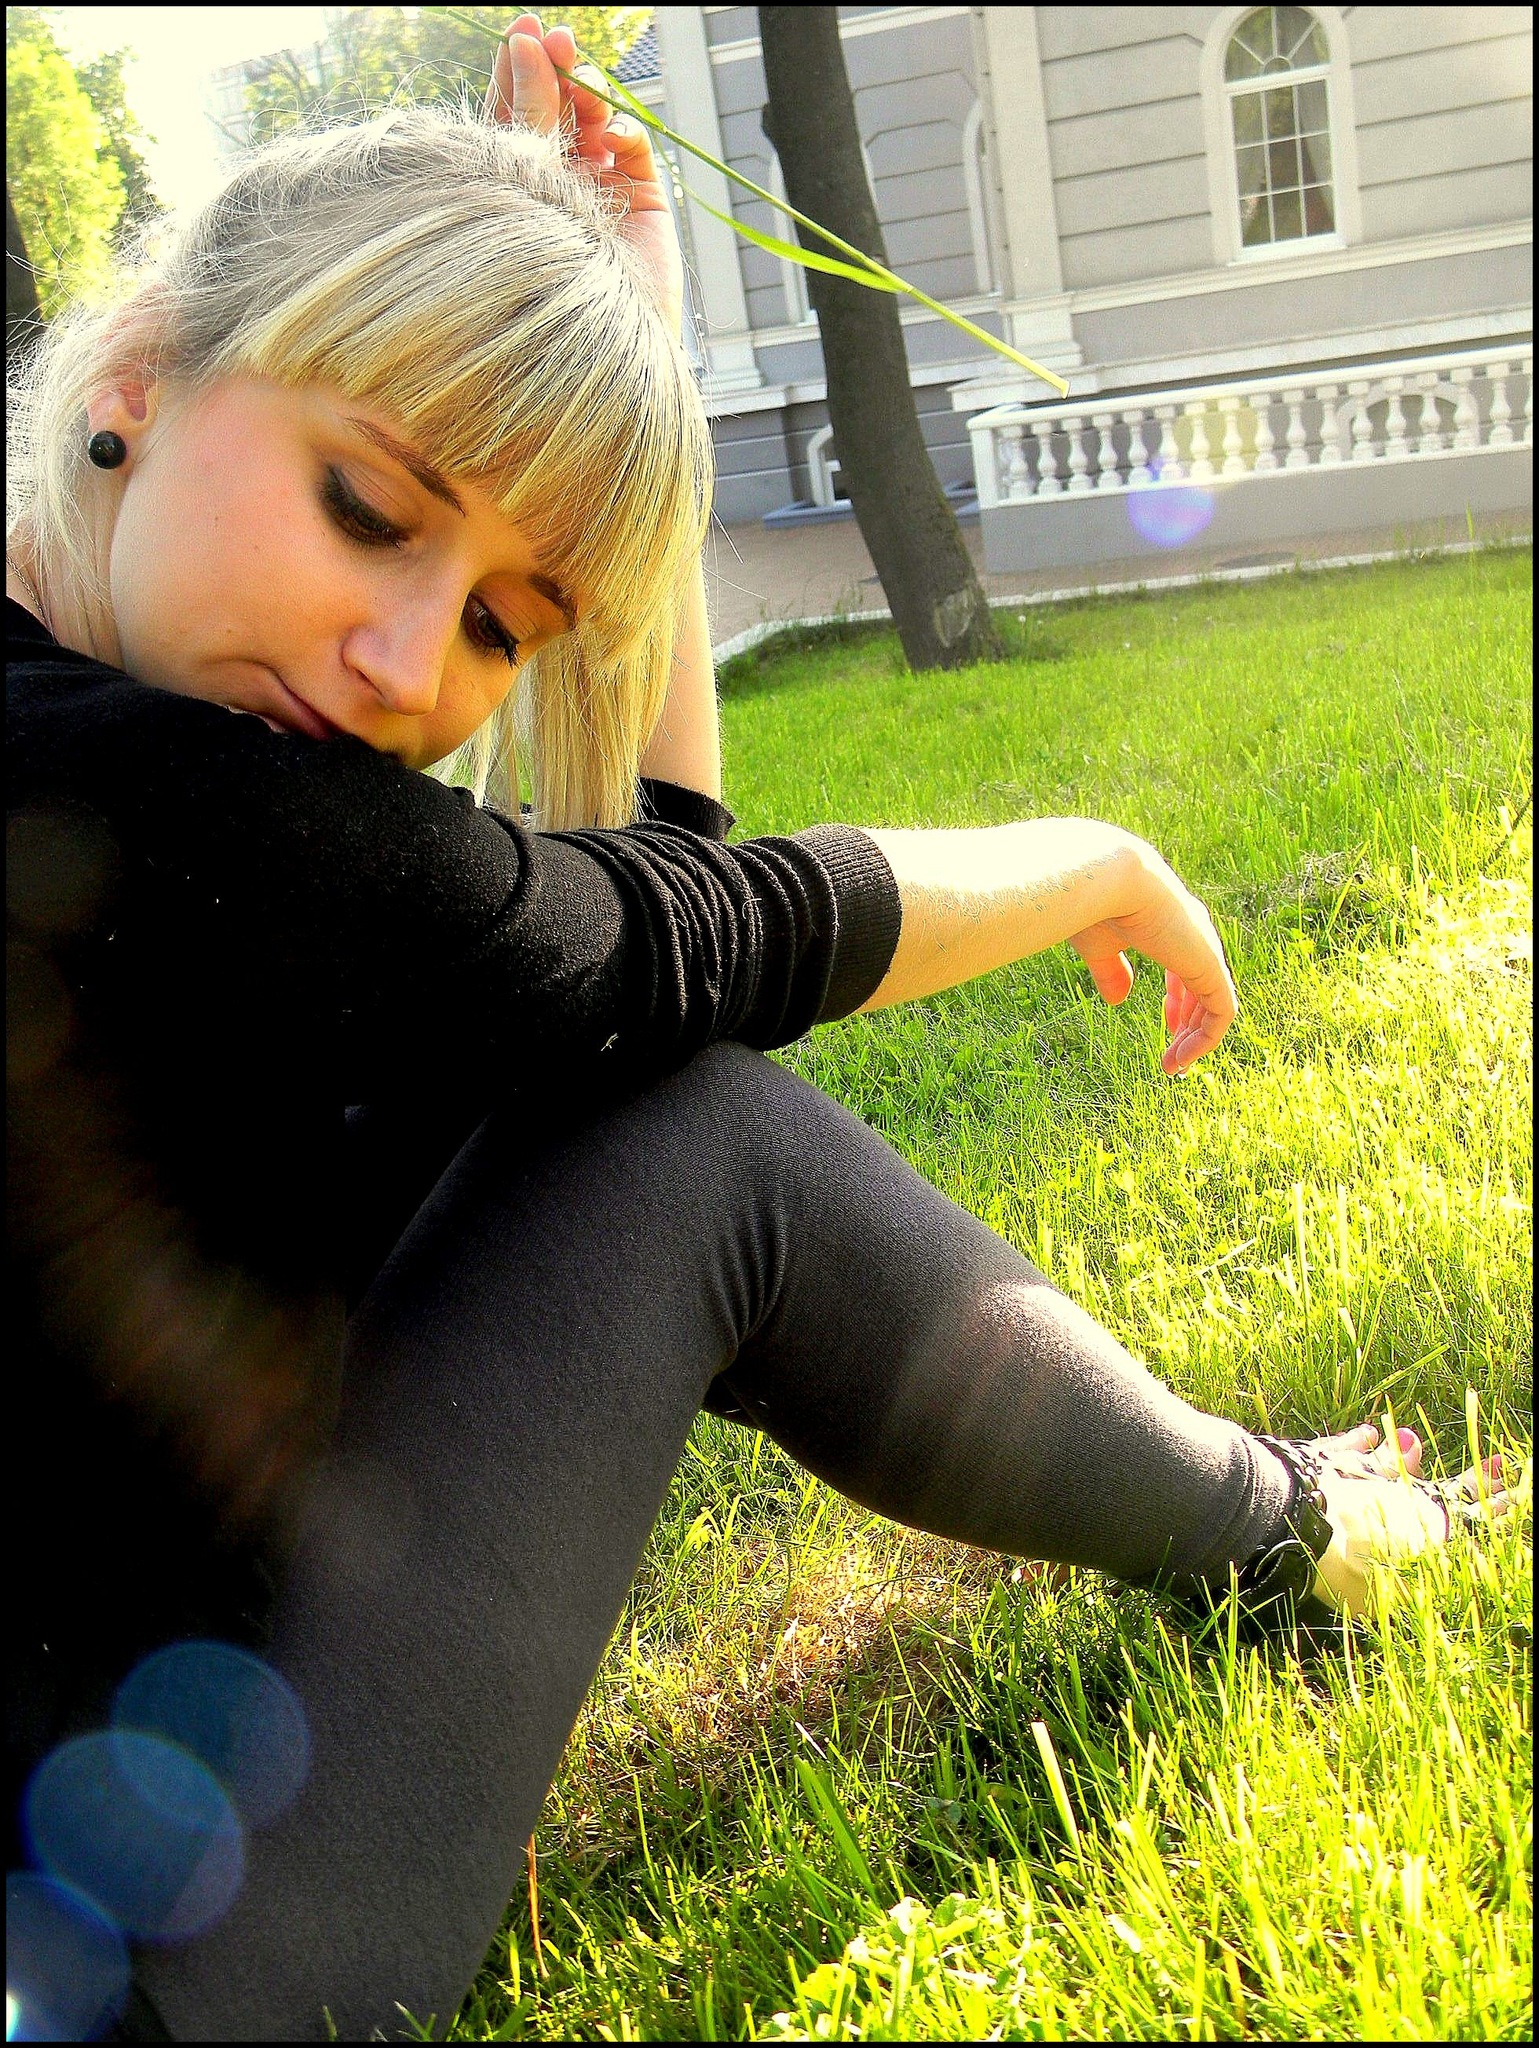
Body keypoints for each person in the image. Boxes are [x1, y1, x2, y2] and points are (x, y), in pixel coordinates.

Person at [5, 16, 1511, 2042]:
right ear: (132, 383)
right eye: (366, 507)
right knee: (698, 1146)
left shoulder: (142, 783)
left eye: (505, 623)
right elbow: (689, 945)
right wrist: (1090, 857)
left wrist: (617, 358)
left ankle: (1271, 1515)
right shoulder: (131, 800)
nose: (404, 663)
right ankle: (1295, 1534)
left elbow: (623, 959)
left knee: (639, 1110)